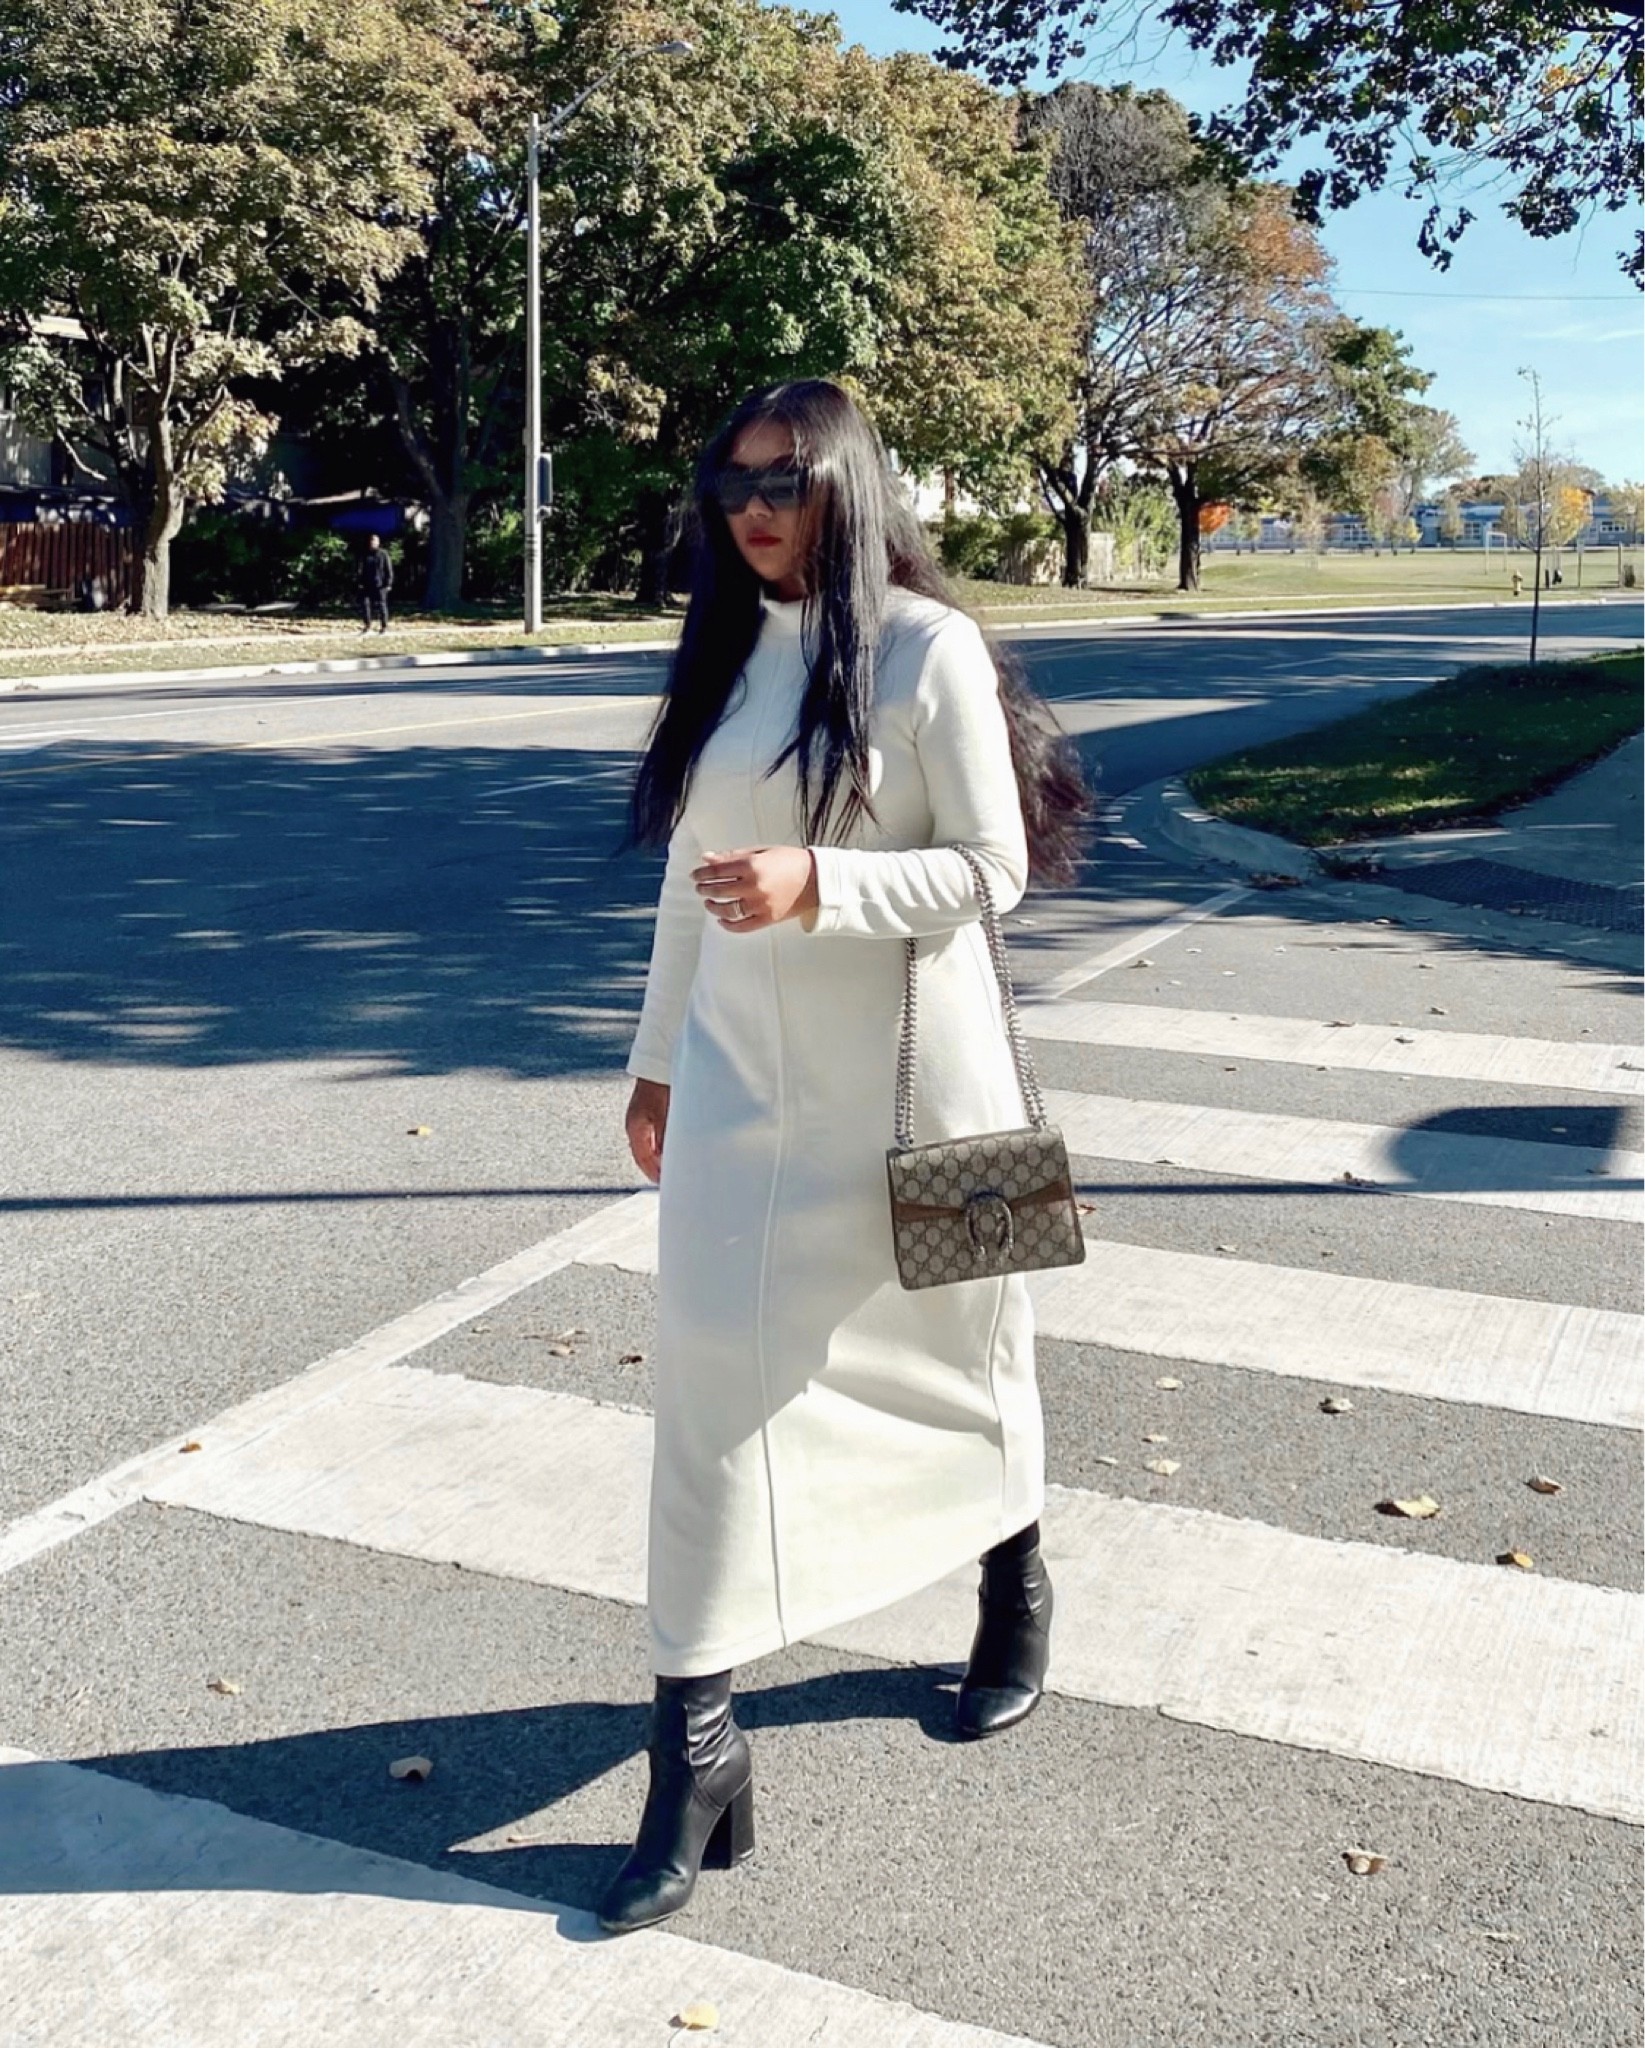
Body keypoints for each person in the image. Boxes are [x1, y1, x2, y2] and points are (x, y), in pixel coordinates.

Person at [601, 378, 1090, 1937]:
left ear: (851, 488)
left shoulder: (923, 648)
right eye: (731, 481)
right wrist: (656, 1058)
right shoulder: (724, 651)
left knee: (965, 1349)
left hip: (917, 1089)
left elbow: (994, 867)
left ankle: (1013, 1581)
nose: (754, 508)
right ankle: (696, 1747)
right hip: (747, 1097)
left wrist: (829, 880)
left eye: (787, 480)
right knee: (705, 1400)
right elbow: (691, 877)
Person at [359, 532, 393, 632]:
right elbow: (361, 569)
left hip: (381, 585)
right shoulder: (365, 555)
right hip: (367, 584)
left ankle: (384, 626)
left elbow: (388, 569)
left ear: (378, 542)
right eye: (371, 541)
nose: (372, 543)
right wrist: (360, 581)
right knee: (366, 605)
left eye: (374, 541)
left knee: (382, 605)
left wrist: (389, 583)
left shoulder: (383, 554)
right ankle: (367, 625)